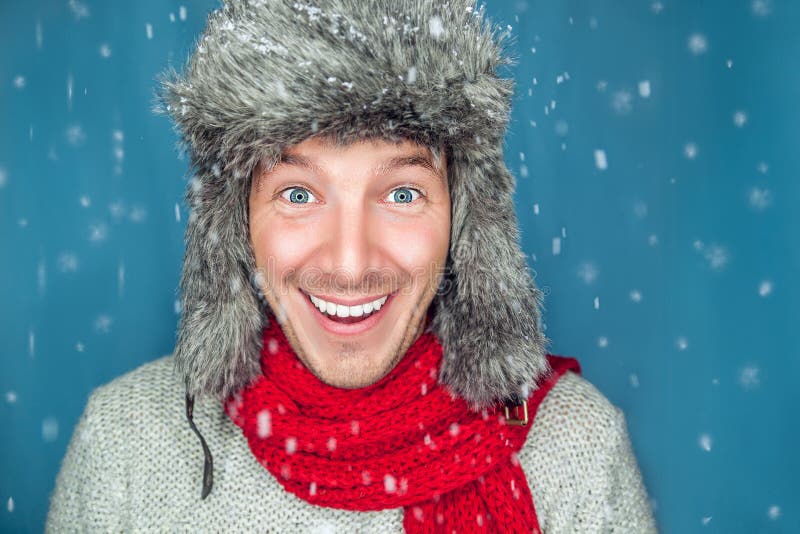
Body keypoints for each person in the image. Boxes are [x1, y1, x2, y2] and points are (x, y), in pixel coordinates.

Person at [45, 1, 658, 532]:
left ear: (464, 220)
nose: (349, 264)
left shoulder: (576, 448)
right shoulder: (124, 441)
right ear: (236, 223)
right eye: (298, 194)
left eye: (401, 194)